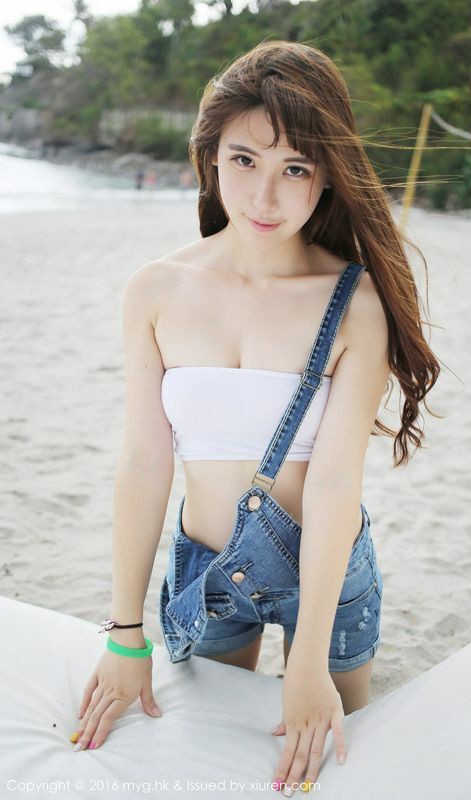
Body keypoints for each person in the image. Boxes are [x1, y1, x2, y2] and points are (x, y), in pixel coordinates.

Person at [70, 40, 441, 794]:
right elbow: (144, 462)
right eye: (244, 160)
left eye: (295, 169)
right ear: (210, 156)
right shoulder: (156, 289)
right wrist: (126, 634)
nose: (265, 198)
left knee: (338, 765)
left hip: (326, 577)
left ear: (327, 175)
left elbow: (334, 482)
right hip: (208, 569)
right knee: (212, 761)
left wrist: (306, 664)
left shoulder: (355, 303)